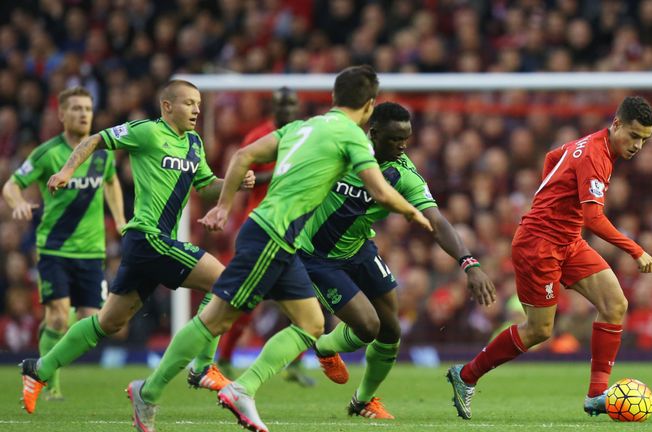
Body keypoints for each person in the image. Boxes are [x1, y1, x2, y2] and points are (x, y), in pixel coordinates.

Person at [127, 65, 432, 432]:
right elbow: (381, 192)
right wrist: (415, 213)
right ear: (369, 106)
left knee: (311, 324)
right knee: (218, 319)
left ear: (335, 97)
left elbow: (243, 156)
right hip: (272, 235)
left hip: (279, 238)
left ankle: (244, 388)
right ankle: (151, 390)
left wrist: (224, 207)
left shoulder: (303, 126)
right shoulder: (351, 137)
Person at [19, 80, 256, 415]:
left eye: (199, 104)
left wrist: (233, 183)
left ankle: (38, 369)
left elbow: (205, 186)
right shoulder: (147, 132)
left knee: (109, 322)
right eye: (189, 103)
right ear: (167, 106)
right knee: (225, 282)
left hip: (151, 245)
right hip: (149, 238)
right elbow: (95, 139)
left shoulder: (194, 144)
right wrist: (67, 169)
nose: (197, 110)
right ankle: (203, 366)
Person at [446, 96, 652, 420]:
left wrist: (549, 198)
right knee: (539, 331)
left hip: (567, 241)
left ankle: (596, 395)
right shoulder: (596, 155)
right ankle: (466, 376)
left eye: (644, 139)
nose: (638, 145)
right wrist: (636, 250)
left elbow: (552, 157)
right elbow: (594, 218)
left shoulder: (591, 145)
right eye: (633, 135)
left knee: (615, 304)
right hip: (539, 245)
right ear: (616, 124)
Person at [299, 102, 496, 419]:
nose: (402, 146)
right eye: (394, 139)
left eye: (406, 138)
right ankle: (324, 346)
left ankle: (363, 401)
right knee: (368, 326)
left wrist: (468, 263)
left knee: (391, 330)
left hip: (360, 248)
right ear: (373, 133)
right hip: (317, 256)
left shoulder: (402, 173)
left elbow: (437, 221)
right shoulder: (340, 149)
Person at [3, 86, 126, 401]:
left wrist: (121, 218)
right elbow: (12, 185)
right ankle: (48, 384)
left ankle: (49, 338)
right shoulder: (47, 153)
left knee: (90, 322)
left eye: (87, 108)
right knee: (59, 315)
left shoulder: (101, 152)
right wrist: (17, 202)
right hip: (54, 248)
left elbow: (111, 181)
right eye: (76, 109)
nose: (84, 114)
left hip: (92, 251)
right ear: (61, 115)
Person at [218, 87, 314, 387]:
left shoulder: (304, 135)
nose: (287, 108)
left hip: (296, 228)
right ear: (273, 107)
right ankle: (220, 358)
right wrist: (281, 174)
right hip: (261, 223)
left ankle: (295, 364)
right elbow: (242, 172)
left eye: (292, 102)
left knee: (307, 299)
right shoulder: (260, 136)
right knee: (246, 302)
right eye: (282, 103)